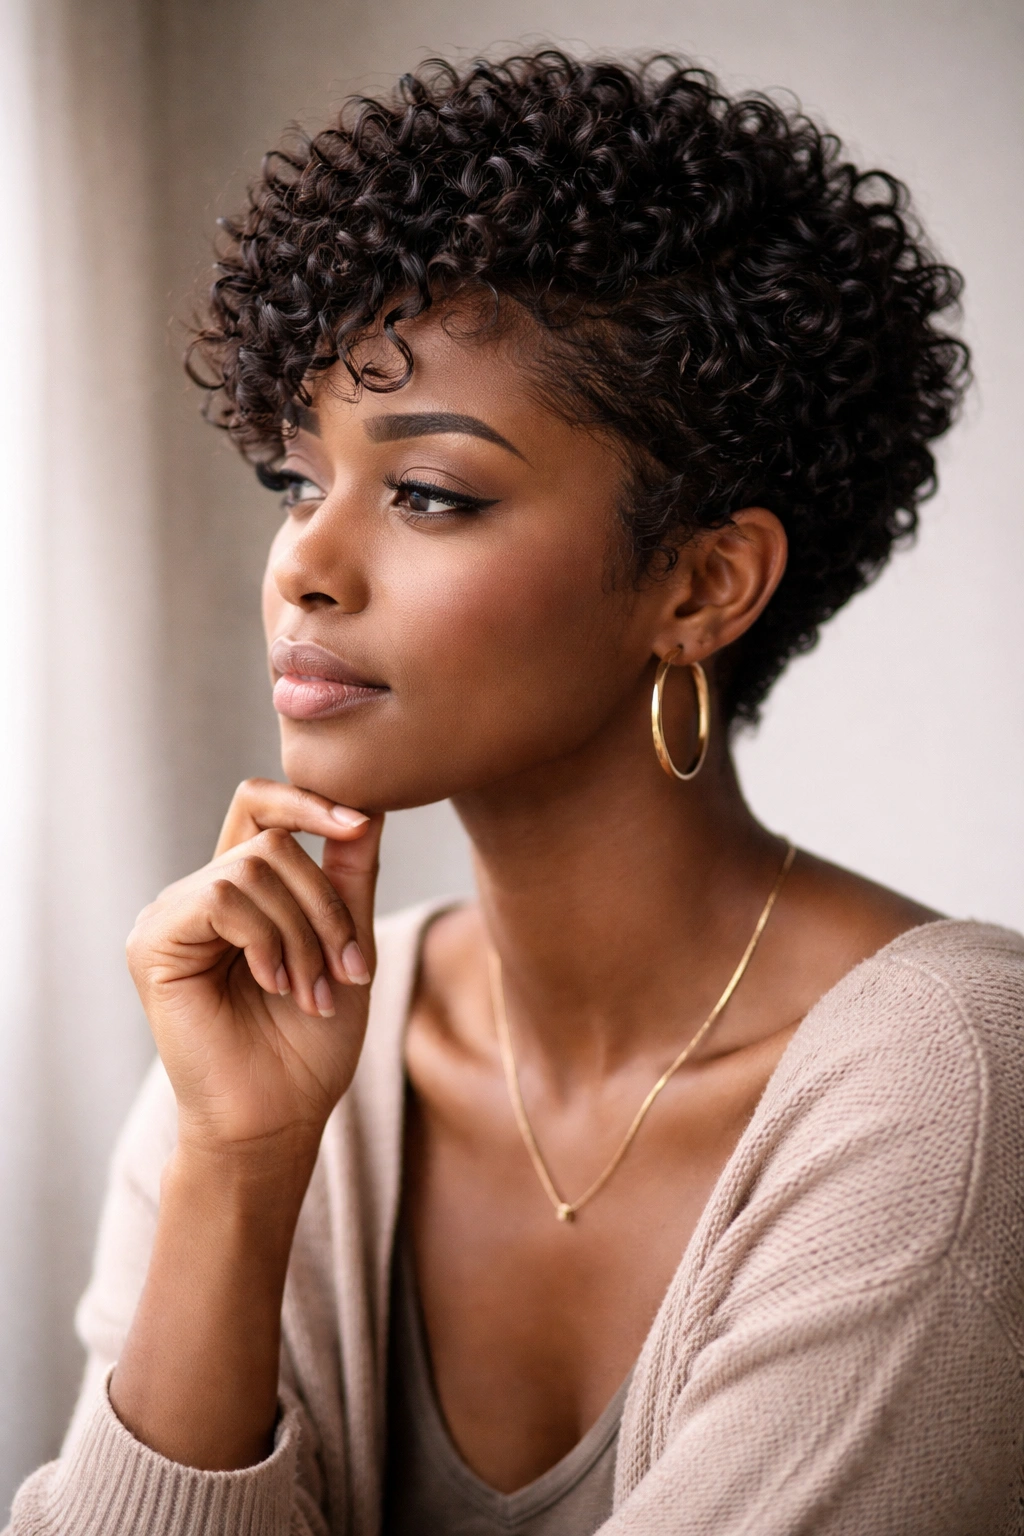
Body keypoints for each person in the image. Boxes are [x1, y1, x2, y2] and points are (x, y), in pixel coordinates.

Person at [9, 51, 1024, 1536]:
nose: (307, 564)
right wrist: (240, 1163)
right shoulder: (269, 1043)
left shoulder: (952, 1081)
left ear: (700, 583)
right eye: (296, 481)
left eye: (433, 495)